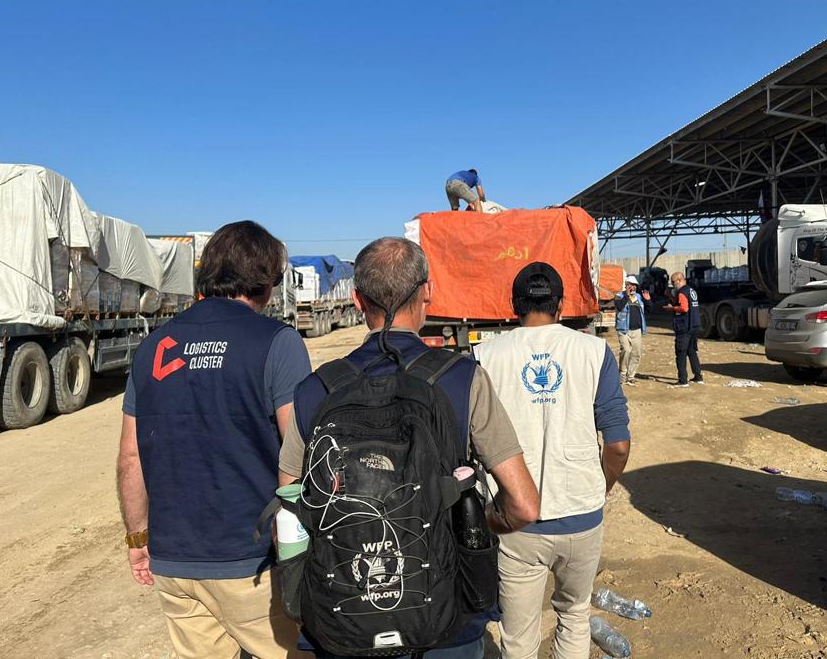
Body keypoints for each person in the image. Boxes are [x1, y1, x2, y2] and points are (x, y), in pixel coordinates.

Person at [278, 236, 540, 659]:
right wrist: (475, 523)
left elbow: (291, 510)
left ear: (358, 300)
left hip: (344, 622)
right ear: (427, 293)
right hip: (446, 620)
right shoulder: (462, 379)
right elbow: (525, 505)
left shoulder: (315, 390)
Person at [116, 221, 312, 659]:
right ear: (265, 281)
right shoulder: (277, 343)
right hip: (253, 564)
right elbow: (302, 452)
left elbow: (131, 457)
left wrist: (137, 539)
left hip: (175, 564)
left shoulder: (153, 346)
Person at [472, 262, 631, 659]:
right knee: (575, 616)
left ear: (514, 305)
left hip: (515, 521)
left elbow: (469, 443)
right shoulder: (595, 352)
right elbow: (618, 445)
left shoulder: (485, 357)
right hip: (581, 515)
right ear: (560, 304)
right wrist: (601, 487)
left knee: (518, 636)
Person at [662, 271, 704, 387]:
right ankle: (698, 376)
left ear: (679, 280)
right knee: (692, 352)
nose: (672, 284)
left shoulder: (682, 292)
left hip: (684, 326)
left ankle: (683, 380)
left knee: (681, 352)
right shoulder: (691, 290)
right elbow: (684, 303)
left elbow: (684, 308)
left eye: (673, 282)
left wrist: (672, 308)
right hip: (694, 326)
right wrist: (670, 296)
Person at [614, 275, 651, 385]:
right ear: (626, 285)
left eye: (634, 285)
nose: (633, 287)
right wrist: (626, 295)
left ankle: (631, 376)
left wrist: (648, 300)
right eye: (630, 285)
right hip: (624, 329)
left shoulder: (639, 297)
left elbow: (649, 310)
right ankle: (622, 374)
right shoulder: (619, 296)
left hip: (637, 330)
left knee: (636, 353)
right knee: (626, 350)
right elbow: (620, 306)